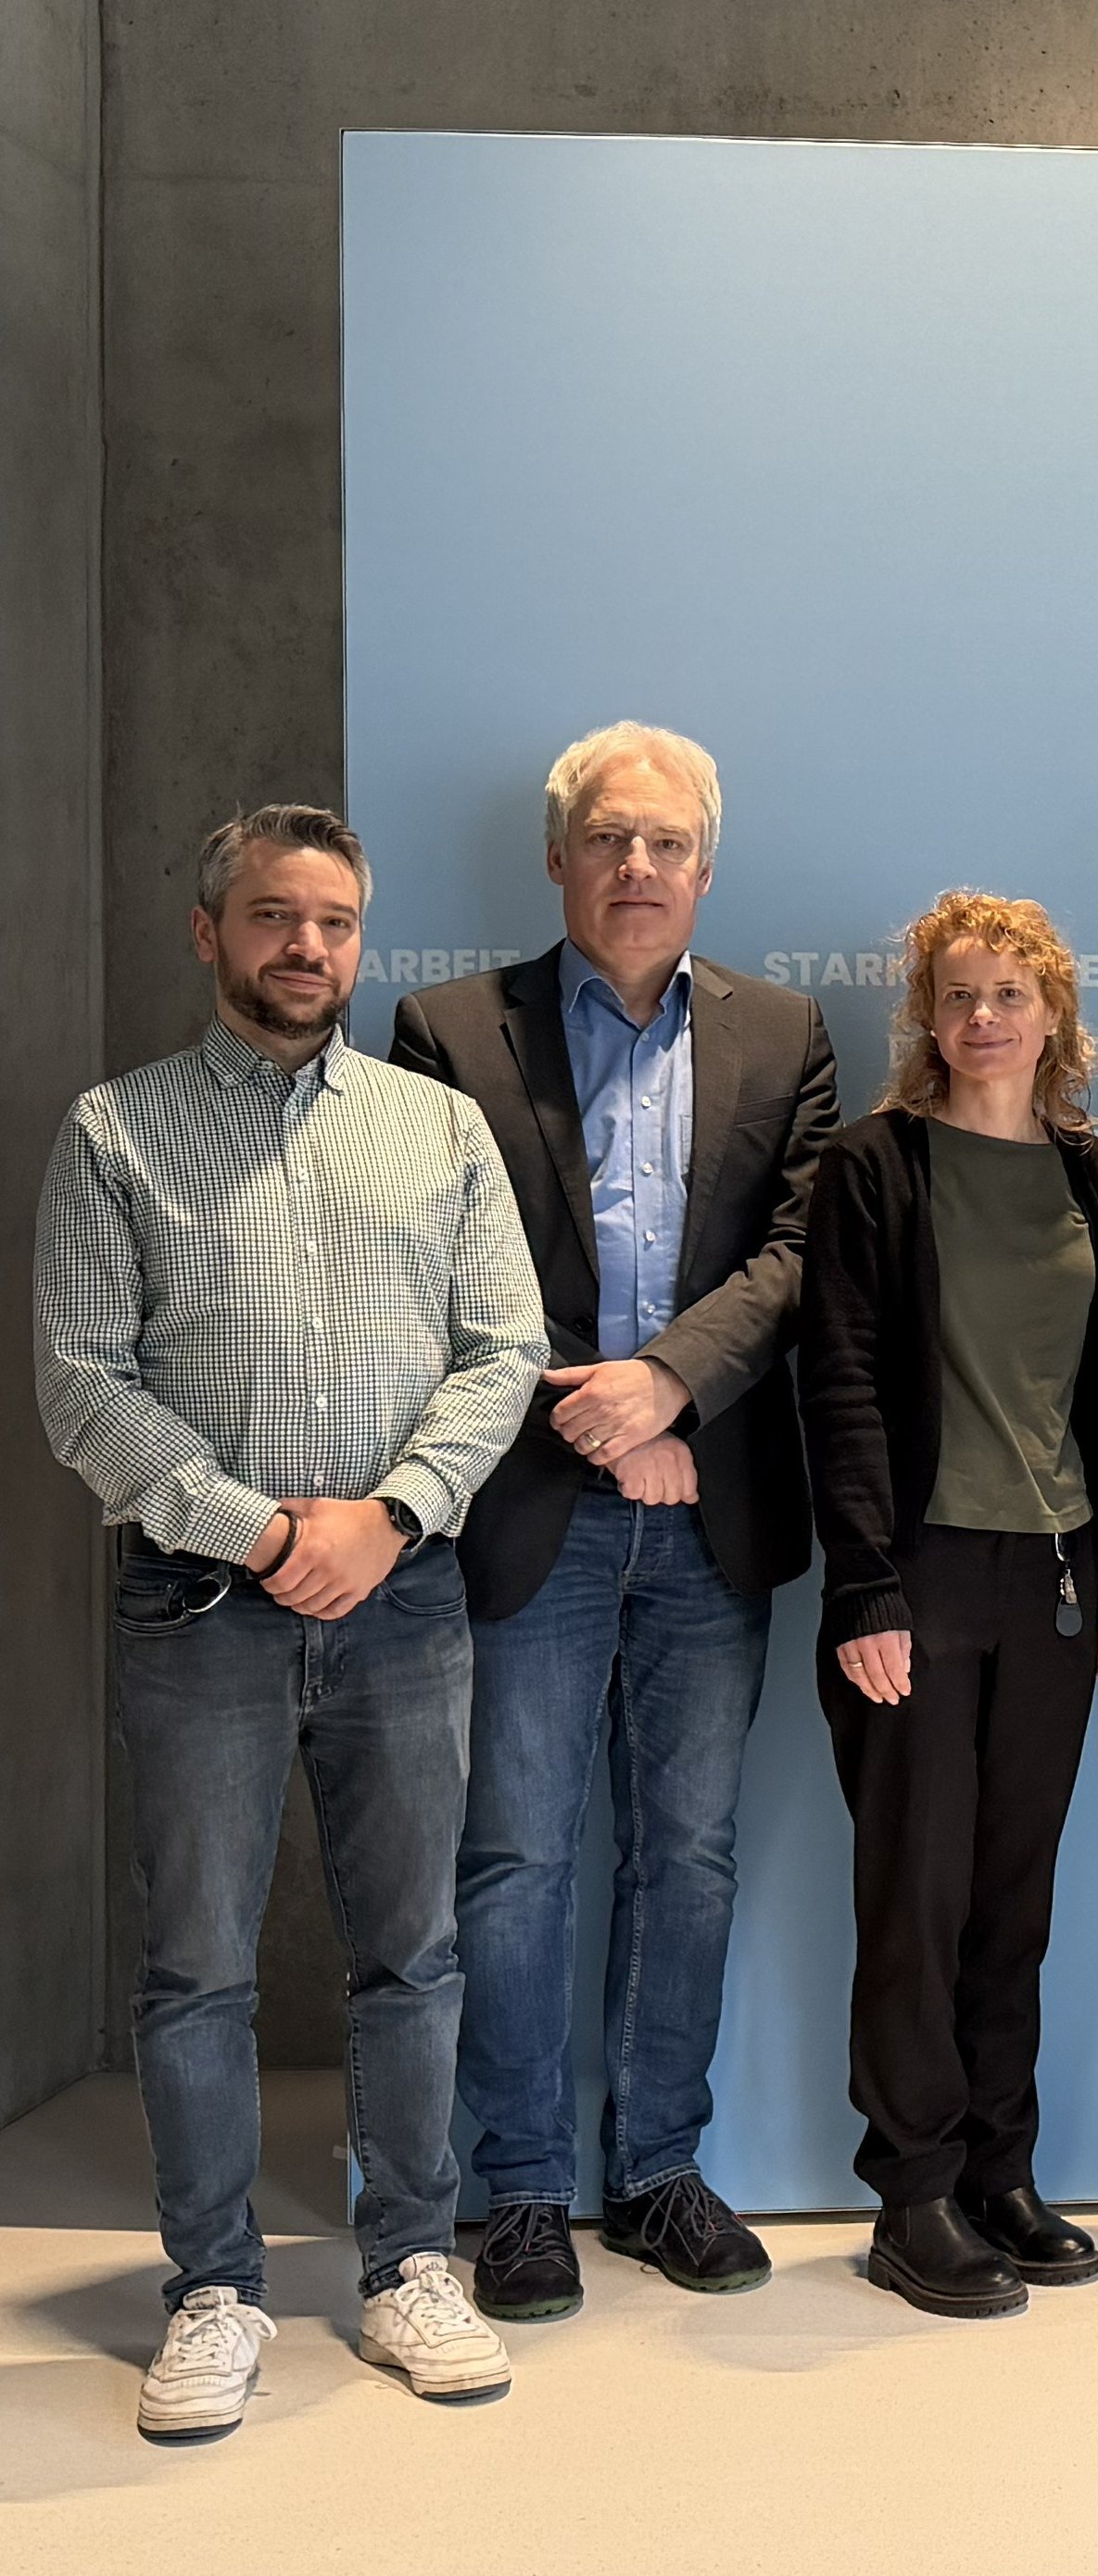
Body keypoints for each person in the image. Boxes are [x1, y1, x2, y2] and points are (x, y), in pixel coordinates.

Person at [35, 805, 547, 2442]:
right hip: (202, 1602)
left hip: (404, 1600)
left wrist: (383, 1518)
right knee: (196, 1969)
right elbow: (78, 1381)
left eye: (331, 921)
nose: (304, 948)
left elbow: (501, 1351)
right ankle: (213, 2290)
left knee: (416, 1953)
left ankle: (408, 2262)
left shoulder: (437, 1131)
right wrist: (260, 1528)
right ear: (210, 932)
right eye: (272, 917)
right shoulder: (114, 1133)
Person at [387, 722, 838, 2322]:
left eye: (665, 843)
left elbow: (795, 1260)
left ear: (705, 867)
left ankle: (654, 2169)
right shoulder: (447, 1029)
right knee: (513, 1856)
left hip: (711, 1505)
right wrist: (598, 1419)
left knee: (691, 1856)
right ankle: (515, 2191)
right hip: (528, 1506)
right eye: (607, 838)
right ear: (559, 857)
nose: (636, 867)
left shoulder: (788, 1035)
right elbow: (446, 1259)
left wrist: (667, 1389)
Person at [797, 891, 1098, 2319]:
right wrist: (865, 1586)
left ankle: (1003, 2172)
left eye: (1012, 993)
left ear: (1055, 1014)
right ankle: (914, 2194)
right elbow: (839, 1386)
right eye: (959, 994)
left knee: (1014, 1897)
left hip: (1057, 1581)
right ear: (927, 1016)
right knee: (918, 1892)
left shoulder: (1095, 1180)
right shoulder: (875, 1168)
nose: (985, 1018)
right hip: (920, 1575)